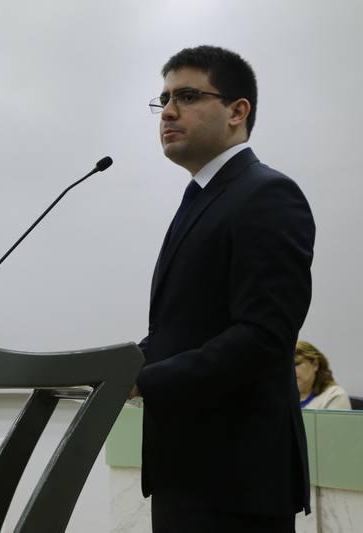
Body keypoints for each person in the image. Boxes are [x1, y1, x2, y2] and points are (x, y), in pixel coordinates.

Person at [129, 46, 315, 532]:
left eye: (187, 96)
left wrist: (145, 380)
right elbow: (184, 328)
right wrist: (119, 366)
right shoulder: (202, 196)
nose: (168, 112)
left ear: (237, 111)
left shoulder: (266, 194)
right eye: (164, 99)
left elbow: (263, 336)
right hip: (184, 470)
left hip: (238, 482)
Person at [295, 340, 351, 409]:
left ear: (315, 364)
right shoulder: (283, 396)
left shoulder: (334, 396)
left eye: (296, 364)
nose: (289, 371)